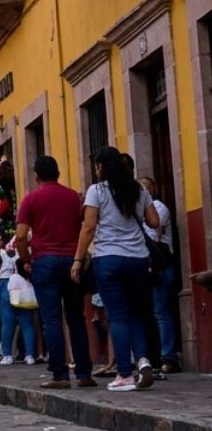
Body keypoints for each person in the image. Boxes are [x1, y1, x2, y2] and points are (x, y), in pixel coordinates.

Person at [74, 147, 161, 392]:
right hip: (138, 259)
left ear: (101, 167)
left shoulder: (97, 191)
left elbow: (89, 227)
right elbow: (154, 221)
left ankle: (124, 374)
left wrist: (78, 259)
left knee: (118, 316)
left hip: (108, 258)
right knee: (136, 313)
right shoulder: (139, 189)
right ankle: (143, 360)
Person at [15, 156, 94, 389]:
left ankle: (60, 375)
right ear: (58, 173)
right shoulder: (73, 197)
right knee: (76, 318)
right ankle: (84, 373)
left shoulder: (30, 199)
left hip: (44, 261)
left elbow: (21, 236)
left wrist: (26, 261)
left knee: (51, 320)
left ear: (36, 176)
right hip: (72, 261)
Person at [139, 176, 180, 374]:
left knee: (161, 311)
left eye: (146, 187)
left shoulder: (158, 207)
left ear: (153, 189)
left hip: (160, 265)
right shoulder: (138, 211)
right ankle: (153, 356)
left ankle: (168, 357)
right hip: (146, 265)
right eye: (140, 188)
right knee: (152, 312)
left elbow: (154, 233)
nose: (143, 190)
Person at [0, 235, 35, 365]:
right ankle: (29, 355)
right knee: (27, 323)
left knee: (7, 323)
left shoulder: (4, 252)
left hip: (6, 282)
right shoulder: (28, 247)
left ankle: (7, 355)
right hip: (24, 283)